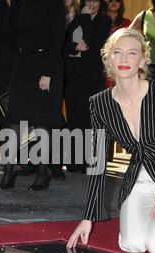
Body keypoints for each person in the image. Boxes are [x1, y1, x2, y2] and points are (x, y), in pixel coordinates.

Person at [67, 28, 155, 253]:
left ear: (143, 59)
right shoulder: (99, 103)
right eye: (117, 52)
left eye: (131, 53)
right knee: (132, 245)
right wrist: (87, 217)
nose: (123, 59)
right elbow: (97, 161)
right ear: (108, 58)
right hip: (138, 182)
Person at [0, 0, 66, 191]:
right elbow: (10, 34)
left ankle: (43, 173)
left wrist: (48, 72)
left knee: (41, 122)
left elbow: (58, 37)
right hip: (22, 63)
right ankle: (8, 171)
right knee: (14, 119)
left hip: (46, 63)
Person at [64, 0, 110, 173]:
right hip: (73, 76)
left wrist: (85, 18)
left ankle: (90, 161)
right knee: (74, 117)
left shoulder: (104, 21)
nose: (92, 4)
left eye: (95, 1)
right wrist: (76, 48)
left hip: (91, 78)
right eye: (89, 0)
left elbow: (94, 42)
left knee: (90, 120)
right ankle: (74, 162)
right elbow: (65, 43)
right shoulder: (75, 18)